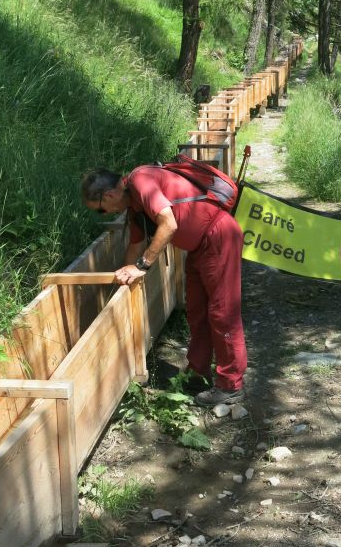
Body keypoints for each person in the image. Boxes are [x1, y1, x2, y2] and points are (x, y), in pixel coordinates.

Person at [81, 165, 247, 405]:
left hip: (219, 237)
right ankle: (198, 374)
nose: (104, 213)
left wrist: (142, 266)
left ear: (107, 195)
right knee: (197, 311)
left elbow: (169, 224)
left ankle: (231, 385)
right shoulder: (134, 207)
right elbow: (135, 247)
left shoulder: (141, 181)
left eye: (100, 210)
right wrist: (122, 287)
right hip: (199, 246)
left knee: (222, 312)